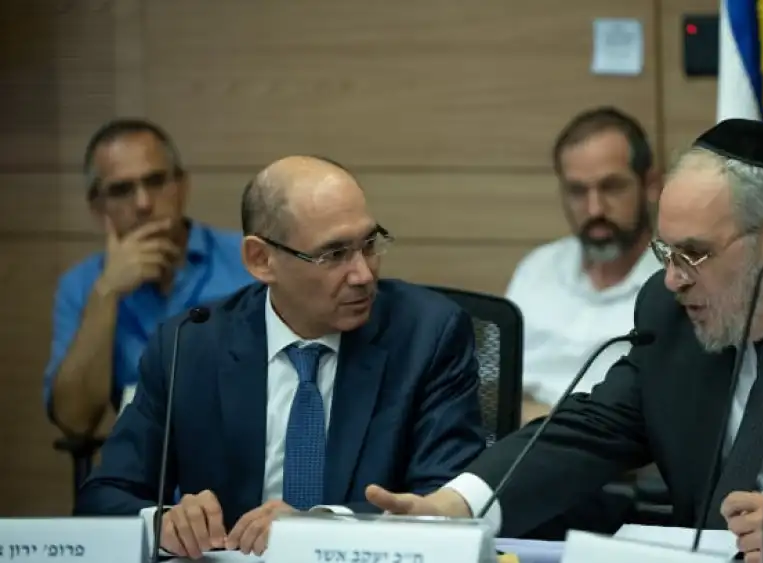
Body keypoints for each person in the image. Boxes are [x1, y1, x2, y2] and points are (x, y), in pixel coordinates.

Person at [364, 119, 763, 562]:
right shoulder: (671, 312)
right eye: (664, 250)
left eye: (692, 254)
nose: (670, 278)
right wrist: (458, 504)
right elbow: (587, 428)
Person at [75, 156, 487, 558]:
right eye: (334, 255)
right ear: (261, 260)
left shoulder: (426, 334)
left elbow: (446, 503)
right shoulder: (190, 345)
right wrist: (164, 523)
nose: (363, 274)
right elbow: (105, 496)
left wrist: (323, 526)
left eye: (369, 244)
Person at [43, 118, 253, 437]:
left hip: (242, 463)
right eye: (121, 190)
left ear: (182, 186)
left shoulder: (248, 261)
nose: (143, 203)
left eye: (155, 181)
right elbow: (74, 420)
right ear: (98, 207)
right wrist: (107, 294)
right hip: (143, 473)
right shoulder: (83, 285)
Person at [508, 107, 662, 425]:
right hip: (515, 455)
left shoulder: (677, 282)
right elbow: (493, 389)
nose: (595, 209)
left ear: (651, 184)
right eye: (577, 191)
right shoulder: (536, 269)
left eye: (611, 187)